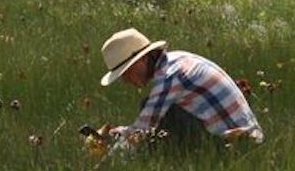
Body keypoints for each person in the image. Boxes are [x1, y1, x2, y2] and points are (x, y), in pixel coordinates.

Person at [99, 27, 264, 146]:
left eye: (127, 71)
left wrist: (112, 144)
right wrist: (118, 133)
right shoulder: (176, 60)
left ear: (143, 60)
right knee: (159, 116)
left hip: (237, 143)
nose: (126, 80)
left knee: (153, 131)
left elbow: (142, 129)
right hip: (245, 137)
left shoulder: (169, 77)